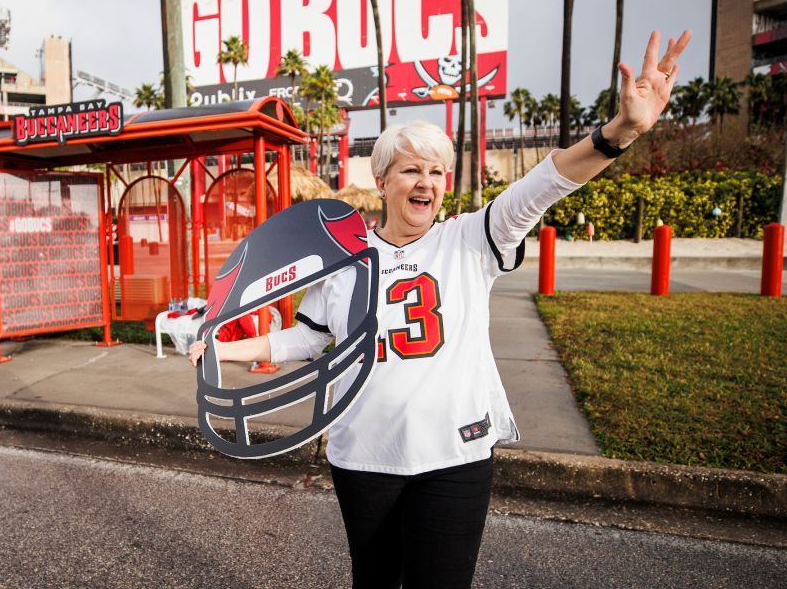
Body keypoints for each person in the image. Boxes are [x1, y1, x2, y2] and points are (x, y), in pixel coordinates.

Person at [190, 30, 691, 588]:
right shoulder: (340, 260)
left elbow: (545, 184)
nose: (425, 182)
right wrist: (220, 346)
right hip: (364, 455)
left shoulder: (472, 240)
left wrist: (621, 130)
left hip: (454, 455)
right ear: (382, 181)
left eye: (435, 172)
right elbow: (306, 341)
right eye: (410, 170)